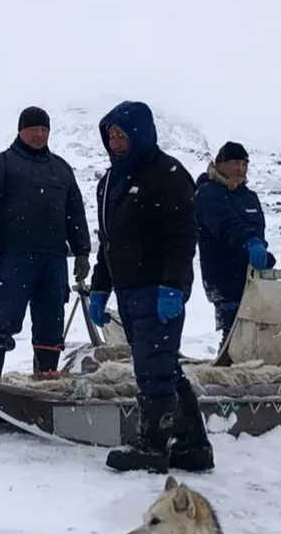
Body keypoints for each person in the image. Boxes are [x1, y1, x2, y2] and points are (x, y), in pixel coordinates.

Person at [86, 100, 213, 475]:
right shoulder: (108, 182)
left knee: (153, 366)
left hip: (158, 287)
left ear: (139, 134)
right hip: (127, 288)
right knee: (161, 364)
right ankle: (193, 445)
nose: (114, 142)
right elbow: (107, 241)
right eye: (110, 135)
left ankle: (153, 445)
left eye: (121, 135)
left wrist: (172, 285)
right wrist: (99, 287)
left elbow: (182, 236)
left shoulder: (168, 174)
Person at [0, 106, 91, 379]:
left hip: (53, 259)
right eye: (33, 129)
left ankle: (46, 382)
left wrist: (82, 252)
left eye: (44, 130)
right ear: (21, 130)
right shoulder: (0, 165)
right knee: (2, 318)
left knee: (51, 321)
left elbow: (75, 213)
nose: (39, 135)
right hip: (13, 256)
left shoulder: (61, 170)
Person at [196, 141, 276, 349]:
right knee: (233, 333)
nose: (240, 169)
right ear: (220, 164)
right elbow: (226, 224)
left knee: (255, 332)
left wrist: (260, 248)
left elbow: (258, 229)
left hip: (252, 276)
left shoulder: (249, 197)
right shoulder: (208, 193)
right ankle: (228, 367)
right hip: (223, 277)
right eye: (235, 163)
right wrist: (249, 242)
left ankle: (250, 368)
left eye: (244, 164)